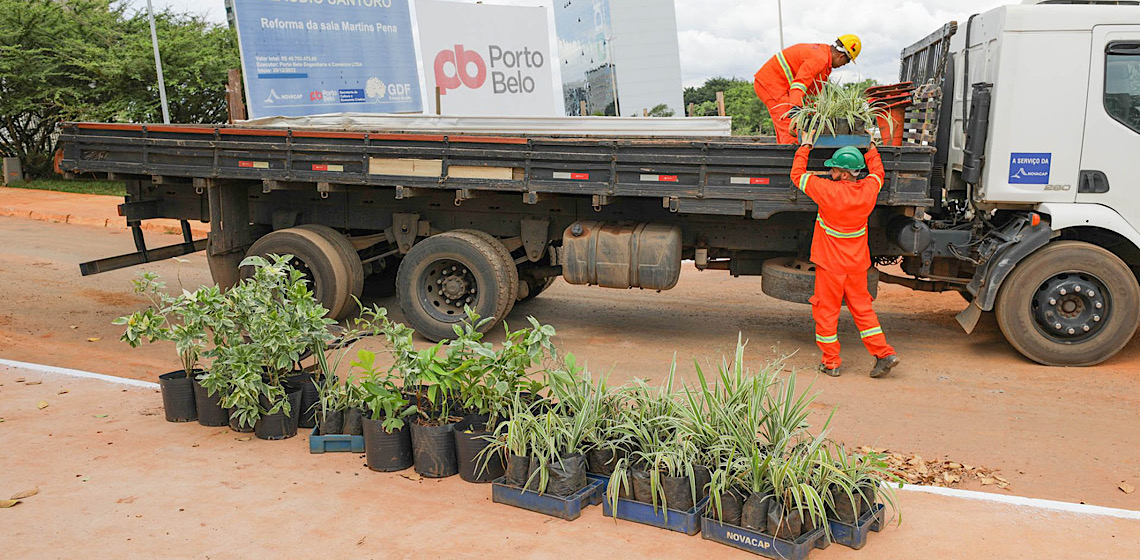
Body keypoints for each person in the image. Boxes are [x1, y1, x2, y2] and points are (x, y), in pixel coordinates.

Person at [789, 141, 900, 378]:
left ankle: (831, 363)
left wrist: (805, 147)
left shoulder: (827, 190)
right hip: (857, 265)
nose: (830, 172)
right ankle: (884, 354)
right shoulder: (869, 189)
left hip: (831, 265)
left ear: (845, 174)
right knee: (863, 311)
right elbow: (878, 172)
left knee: (826, 311)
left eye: (834, 170)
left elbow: (797, 174)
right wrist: (871, 149)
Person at [754, 35, 861, 144]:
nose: (843, 65)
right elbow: (799, 85)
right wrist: (795, 110)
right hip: (771, 83)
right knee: (790, 126)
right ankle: (791, 157)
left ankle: (787, 154)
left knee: (788, 127)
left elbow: (812, 94)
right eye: (847, 62)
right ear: (842, 56)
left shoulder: (825, 63)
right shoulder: (819, 59)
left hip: (776, 85)